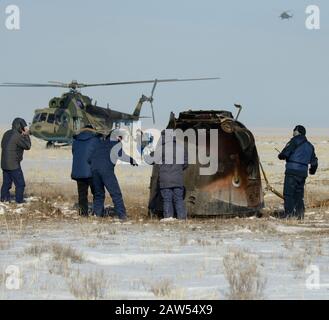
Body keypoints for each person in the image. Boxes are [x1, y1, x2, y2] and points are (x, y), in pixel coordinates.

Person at [90, 130, 138, 220]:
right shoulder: (116, 144)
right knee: (116, 194)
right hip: (106, 170)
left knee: (98, 194)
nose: (121, 140)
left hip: (93, 169)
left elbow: (90, 158)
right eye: (121, 137)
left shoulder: (100, 143)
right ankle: (122, 216)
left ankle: (97, 215)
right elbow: (122, 155)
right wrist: (132, 160)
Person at [278, 125, 318, 219]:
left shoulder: (294, 141)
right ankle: (300, 215)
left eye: (294, 130)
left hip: (292, 172)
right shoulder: (310, 146)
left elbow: (284, 154)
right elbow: (314, 162)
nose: (293, 132)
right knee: (299, 195)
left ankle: (289, 215)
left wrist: (281, 156)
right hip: (303, 174)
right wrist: (312, 171)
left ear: (297, 132)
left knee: (288, 194)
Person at [156, 130, 188, 220]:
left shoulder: (160, 149)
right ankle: (181, 218)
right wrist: (178, 169)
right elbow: (186, 163)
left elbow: (156, 162)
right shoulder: (181, 148)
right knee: (178, 199)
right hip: (177, 178)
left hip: (164, 179)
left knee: (167, 200)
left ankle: (168, 218)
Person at [71, 125, 100, 216]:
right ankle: (97, 212)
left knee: (82, 194)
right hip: (91, 171)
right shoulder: (95, 140)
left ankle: (83, 214)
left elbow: (73, 152)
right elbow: (98, 154)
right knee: (97, 193)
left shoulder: (75, 141)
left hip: (79, 171)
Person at [1, 118, 31, 203]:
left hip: (4, 164)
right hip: (13, 164)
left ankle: (4, 200)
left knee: (6, 184)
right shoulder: (17, 136)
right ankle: (19, 202)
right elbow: (28, 146)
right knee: (20, 184)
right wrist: (26, 135)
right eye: (23, 127)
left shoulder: (6, 133)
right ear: (20, 126)